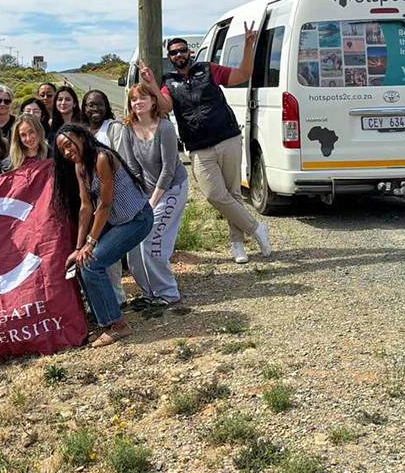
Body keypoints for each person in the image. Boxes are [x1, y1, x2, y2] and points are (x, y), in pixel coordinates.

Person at [143, 33, 272, 264]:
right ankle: (256, 228)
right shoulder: (169, 83)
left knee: (232, 194)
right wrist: (152, 84)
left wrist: (249, 48)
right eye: (174, 52)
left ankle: (238, 245)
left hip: (227, 138)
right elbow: (164, 107)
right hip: (198, 147)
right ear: (170, 57)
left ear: (189, 53)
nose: (179, 54)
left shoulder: (208, 69)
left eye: (182, 50)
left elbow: (243, 74)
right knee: (214, 194)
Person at [52, 124, 153, 347]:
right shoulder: (80, 166)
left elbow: (105, 205)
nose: (68, 152)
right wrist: (79, 247)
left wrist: (91, 242)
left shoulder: (101, 158)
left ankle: (117, 325)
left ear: (81, 136)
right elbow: (86, 207)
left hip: (137, 218)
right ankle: (104, 319)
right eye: (63, 151)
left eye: (69, 145)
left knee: (91, 264)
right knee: (82, 262)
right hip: (118, 220)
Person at [119, 84, 189, 304]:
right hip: (146, 193)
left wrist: (151, 202)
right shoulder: (129, 129)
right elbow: (132, 167)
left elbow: (168, 170)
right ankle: (150, 292)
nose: (137, 102)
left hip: (171, 189)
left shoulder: (165, 128)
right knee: (134, 244)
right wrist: (140, 200)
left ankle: (168, 293)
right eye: (133, 99)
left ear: (152, 101)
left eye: (142, 98)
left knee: (153, 240)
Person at [80, 89, 127, 304]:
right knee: (98, 247)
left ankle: (117, 296)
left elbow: (122, 161)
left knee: (110, 250)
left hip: (115, 196)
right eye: (90, 105)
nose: (95, 109)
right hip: (93, 199)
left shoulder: (113, 128)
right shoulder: (82, 132)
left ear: (106, 106)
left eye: (99, 104)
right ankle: (101, 297)